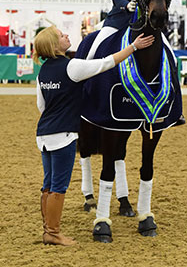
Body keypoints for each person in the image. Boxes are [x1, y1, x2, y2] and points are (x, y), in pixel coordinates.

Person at [33, 25, 154, 246]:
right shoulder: (73, 66)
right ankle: (53, 232)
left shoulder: (43, 72)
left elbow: (42, 106)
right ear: (54, 45)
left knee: (48, 185)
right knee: (59, 187)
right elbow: (107, 62)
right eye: (61, 35)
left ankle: (47, 229)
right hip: (63, 135)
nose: (66, 35)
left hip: (44, 134)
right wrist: (134, 46)